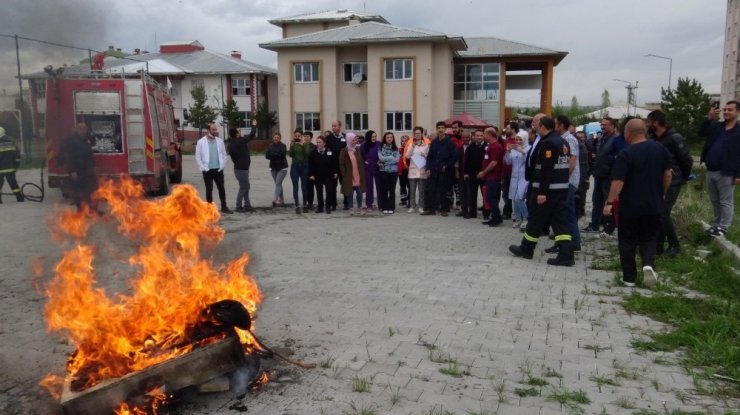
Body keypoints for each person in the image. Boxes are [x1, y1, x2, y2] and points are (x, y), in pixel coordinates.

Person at [603, 118, 672, 287]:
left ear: (628, 133)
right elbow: (668, 174)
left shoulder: (626, 154)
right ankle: (648, 265)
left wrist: (609, 202)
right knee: (649, 238)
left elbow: (618, 181)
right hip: (653, 204)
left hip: (630, 206)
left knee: (627, 240)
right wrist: (661, 193)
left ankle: (629, 278)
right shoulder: (660, 149)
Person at [509, 116, 574, 266]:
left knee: (535, 220)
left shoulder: (548, 143)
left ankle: (526, 249)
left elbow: (546, 169)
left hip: (547, 191)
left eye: (537, 125)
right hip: (560, 189)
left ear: (544, 127)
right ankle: (566, 255)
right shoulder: (562, 141)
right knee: (560, 223)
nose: (535, 127)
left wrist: (542, 192)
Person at [647, 109, 693, 255]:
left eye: (648, 122)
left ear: (655, 122)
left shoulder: (675, 138)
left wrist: (683, 177)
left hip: (673, 181)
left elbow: (686, 160)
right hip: (658, 181)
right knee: (658, 213)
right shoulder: (654, 139)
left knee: (663, 213)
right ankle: (658, 247)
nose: (647, 125)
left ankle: (675, 246)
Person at [699, 100, 740, 237]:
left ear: (737, 112)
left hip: (727, 172)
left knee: (725, 202)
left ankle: (724, 227)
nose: (726, 112)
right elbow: (701, 132)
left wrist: (738, 175)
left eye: (730, 110)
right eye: (725, 109)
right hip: (711, 170)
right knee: (715, 201)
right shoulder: (717, 127)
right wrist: (709, 118)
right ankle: (716, 224)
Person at [583, 117, 624, 235]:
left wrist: (609, 159)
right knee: (596, 200)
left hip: (609, 176)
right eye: (602, 125)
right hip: (599, 174)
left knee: (609, 201)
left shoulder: (617, 139)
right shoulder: (601, 138)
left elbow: (620, 157)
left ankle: (608, 227)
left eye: (605, 125)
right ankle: (595, 224)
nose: (603, 127)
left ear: (613, 126)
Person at [421, 121, 457, 216]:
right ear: (437, 129)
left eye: (442, 128)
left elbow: (454, 157)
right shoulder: (434, 142)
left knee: (443, 190)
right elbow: (429, 156)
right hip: (433, 169)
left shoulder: (449, 142)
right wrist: (428, 168)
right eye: (439, 128)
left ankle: (444, 209)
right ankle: (431, 209)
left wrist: (447, 165)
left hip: (444, 170)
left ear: (445, 129)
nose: (440, 130)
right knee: (431, 189)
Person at [196, 123, 232, 214]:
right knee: (209, 189)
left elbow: (224, 155)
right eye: (213, 130)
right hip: (207, 170)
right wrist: (203, 168)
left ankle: (224, 206)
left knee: (221, 188)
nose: (215, 131)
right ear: (208, 130)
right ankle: (209, 208)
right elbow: (198, 157)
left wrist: (222, 166)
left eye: (216, 129)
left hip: (218, 170)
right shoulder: (201, 142)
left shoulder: (220, 141)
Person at [227, 120, 257, 212]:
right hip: (241, 170)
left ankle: (247, 204)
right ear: (236, 134)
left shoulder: (231, 143)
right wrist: (254, 126)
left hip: (240, 169)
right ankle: (238, 206)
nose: (240, 132)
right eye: (238, 131)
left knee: (245, 186)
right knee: (244, 187)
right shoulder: (238, 142)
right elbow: (251, 135)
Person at [477, 127, 504, 226]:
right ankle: (496, 217)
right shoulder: (491, 146)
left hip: (493, 177)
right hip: (490, 177)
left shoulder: (495, 146)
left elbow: (494, 163)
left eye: (484, 134)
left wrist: (483, 172)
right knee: (492, 198)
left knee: (491, 198)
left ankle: (496, 218)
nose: (483, 136)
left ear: (490, 135)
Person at [504, 130, 529, 229]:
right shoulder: (514, 150)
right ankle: (518, 219)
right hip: (514, 177)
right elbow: (508, 162)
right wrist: (508, 151)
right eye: (517, 139)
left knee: (520, 199)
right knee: (514, 199)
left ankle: (526, 218)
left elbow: (529, 161)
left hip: (524, 177)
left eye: (520, 139)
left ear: (525, 139)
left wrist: (522, 152)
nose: (518, 141)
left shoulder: (529, 148)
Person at [308, 136, 337, 214]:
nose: (318, 144)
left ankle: (328, 207)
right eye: (317, 142)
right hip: (318, 175)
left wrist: (335, 172)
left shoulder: (329, 152)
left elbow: (333, 163)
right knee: (319, 191)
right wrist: (311, 174)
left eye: (320, 142)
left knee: (329, 191)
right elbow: (310, 165)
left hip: (328, 175)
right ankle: (320, 207)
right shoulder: (313, 153)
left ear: (324, 143)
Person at [339, 133, 366, 215]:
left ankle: (359, 208)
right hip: (349, 175)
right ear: (349, 140)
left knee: (359, 192)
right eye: (353, 140)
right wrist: (344, 174)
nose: (355, 141)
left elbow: (361, 161)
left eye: (356, 140)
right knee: (350, 192)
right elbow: (341, 163)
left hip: (358, 174)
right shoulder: (344, 151)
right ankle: (350, 208)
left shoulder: (357, 150)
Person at [462, 129, 486, 219]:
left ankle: (486, 212)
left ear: (483, 136)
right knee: (472, 194)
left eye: (481, 135)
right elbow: (466, 161)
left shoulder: (487, 146)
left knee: (485, 194)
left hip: (484, 173)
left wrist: (484, 172)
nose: (479, 137)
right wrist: (465, 172)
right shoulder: (470, 147)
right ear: (474, 137)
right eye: (477, 135)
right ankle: (472, 212)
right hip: (472, 174)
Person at [325, 120, 348, 210]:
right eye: (332, 126)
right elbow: (328, 151)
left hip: (343, 166)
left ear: (340, 126)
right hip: (332, 166)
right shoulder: (328, 138)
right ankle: (333, 204)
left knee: (345, 185)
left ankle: (346, 203)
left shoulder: (345, 137)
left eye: (335, 126)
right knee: (332, 186)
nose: (333, 127)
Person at [406, 128, 429, 213]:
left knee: (421, 191)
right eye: (416, 133)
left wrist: (424, 155)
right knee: (412, 190)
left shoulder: (426, 145)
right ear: (414, 135)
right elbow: (407, 156)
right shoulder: (411, 144)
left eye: (419, 133)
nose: (417, 135)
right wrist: (413, 146)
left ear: (422, 134)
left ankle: (421, 206)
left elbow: (429, 157)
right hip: (413, 171)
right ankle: (412, 206)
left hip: (422, 170)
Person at [377, 132, 400, 214]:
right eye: (388, 137)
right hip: (383, 171)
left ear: (393, 138)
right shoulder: (380, 148)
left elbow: (397, 159)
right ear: (385, 138)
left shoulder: (396, 148)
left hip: (393, 171)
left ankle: (391, 207)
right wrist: (390, 157)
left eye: (391, 137)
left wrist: (386, 162)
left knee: (392, 190)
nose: (389, 139)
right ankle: (385, 207)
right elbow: (380, 158)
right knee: (384, 189)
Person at [288, 128, 310, 214]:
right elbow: (291, 155)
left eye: (299, 136)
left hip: (304, 166)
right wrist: (292, 146)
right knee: (295, 187)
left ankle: (305, 204)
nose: (297, 137)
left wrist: (302, 145)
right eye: (296, 136)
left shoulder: (305, 144)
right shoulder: (293, 143)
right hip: (295, 167)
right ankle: (297, 205)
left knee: (304, 186)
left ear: (302, 137)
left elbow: (307, 154)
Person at [0, 126, 24, 204]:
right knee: (13, 183)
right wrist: (16, 165)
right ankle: (19, 197)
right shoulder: (11, 142)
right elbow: (17, 155)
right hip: (10, 168)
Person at [265, 131, 288, 208]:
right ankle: (282, 200)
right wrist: (276, 154)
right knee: (278, 184)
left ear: (280, 138)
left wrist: (273, 154)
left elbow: (282, 155)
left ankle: (275, 199)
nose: (276, 139)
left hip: (282, 167)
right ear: (273, 138)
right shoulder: (270, 146)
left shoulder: (283, 146)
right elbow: (267, 155)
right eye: (275, 137)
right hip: (273, 167)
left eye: (278, 137)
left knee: (278, 183)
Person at [362, 130, 381, 212]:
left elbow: (382, 153)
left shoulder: (379, 144)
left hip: (378, 167)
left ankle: (381, 204)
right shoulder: (363, 145)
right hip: (368, 168)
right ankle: (369, 204)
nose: (374, 138)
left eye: (375, 136)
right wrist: (364, 161)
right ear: (368, 137)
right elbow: (361, 156)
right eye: (372, 137)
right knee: (369, 187)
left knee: (380, 187)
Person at [575, 130, 591, 218]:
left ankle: (582, 209)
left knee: (584, 192)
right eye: (579, 137)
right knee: (580, 192)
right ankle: (580, 210)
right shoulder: (577, 147)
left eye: (583, 137)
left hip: (587, 172)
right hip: (581, 173)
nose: (581, 139)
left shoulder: (588, 145)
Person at [303, 131, 316, 210]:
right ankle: (305, 202)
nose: (306, 138)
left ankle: (310, 203)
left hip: (311, 168)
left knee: (311, 187)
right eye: (305, 136)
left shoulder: (314, 147)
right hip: (303, 168)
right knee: (305, 186)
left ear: (311, 138)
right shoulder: (301, 146)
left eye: (307, 136)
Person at [398, 134, 411, 208]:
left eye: (406, 141)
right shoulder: (399, 150)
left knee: (409, 185)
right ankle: (403, 200)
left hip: (408, 170)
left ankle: (410, 200)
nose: (404, 142)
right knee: (402, 185)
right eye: (402, 141)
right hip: (401, 171)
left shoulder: (410, 149)